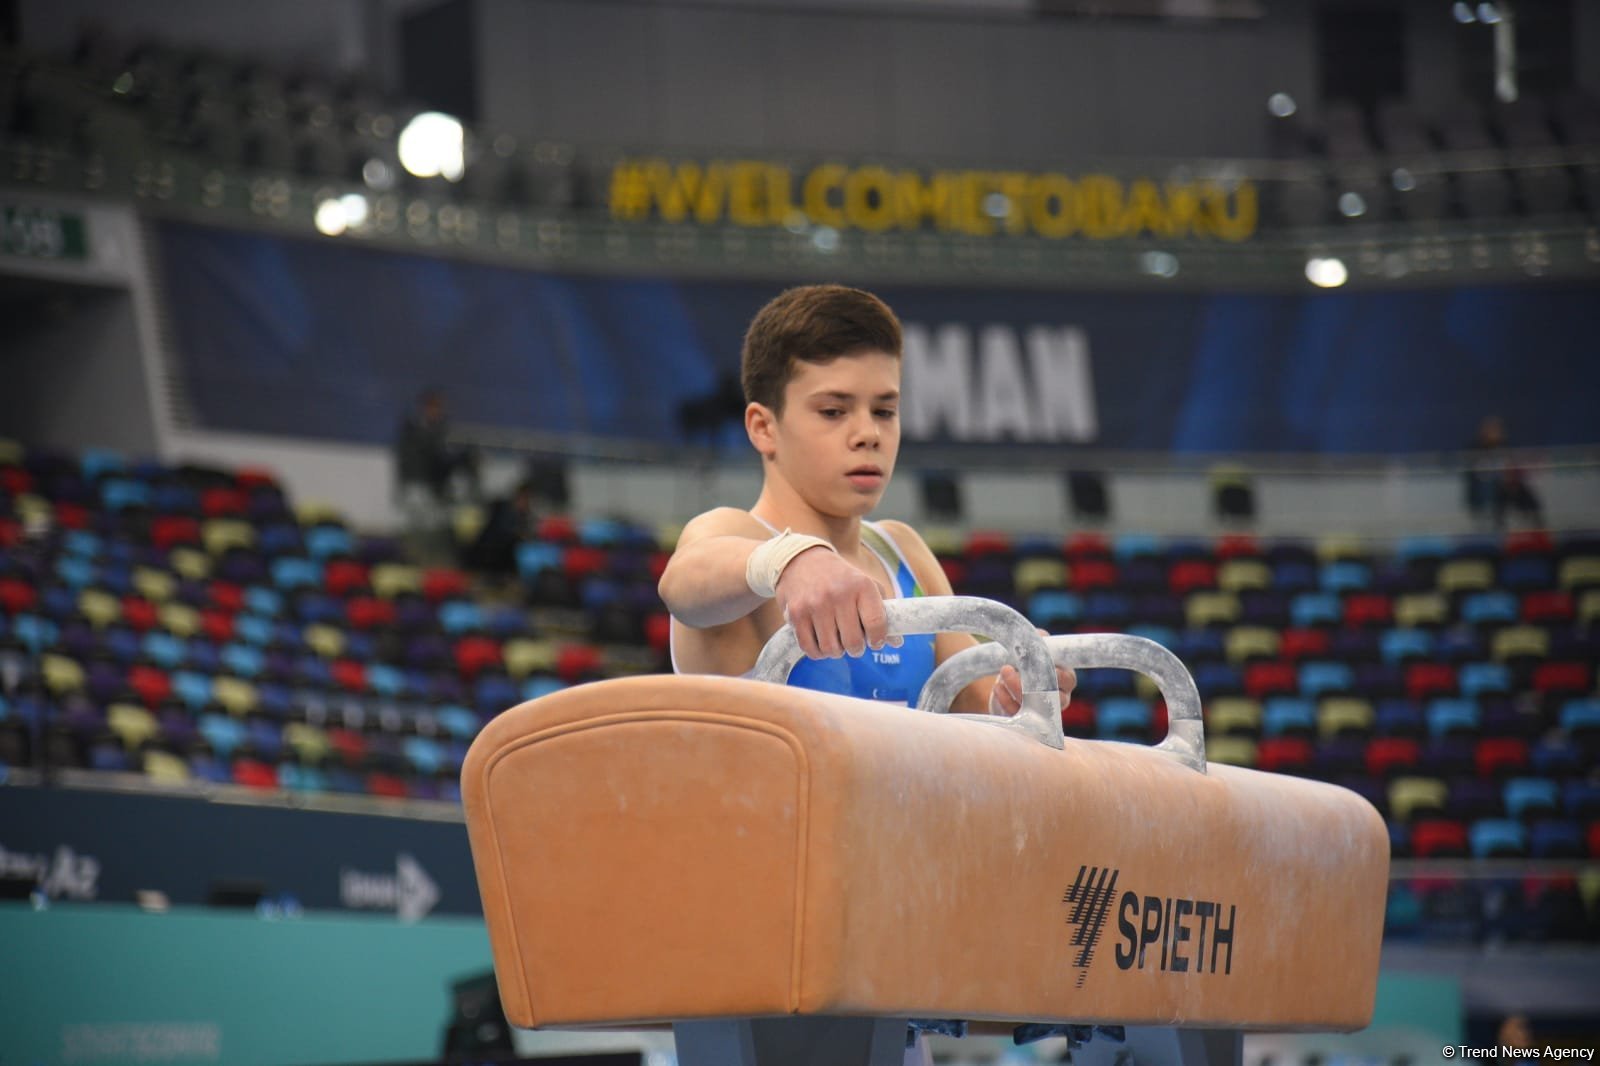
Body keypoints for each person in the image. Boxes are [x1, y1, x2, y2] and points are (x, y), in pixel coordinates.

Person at [659, 283, 1076, 730]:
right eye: (834, 411)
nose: (868, 434)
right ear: (764, 427)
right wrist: (787, 560)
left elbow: (974, 702)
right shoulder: (739, 535)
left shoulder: (903, 550)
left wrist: (1013, 692)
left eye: (884, 411)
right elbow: (682, 584)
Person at [394, 387, 479, 560]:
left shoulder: (443, 431)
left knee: (436, 529)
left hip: (437, 489)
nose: (437, 411)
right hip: (416, 484)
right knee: (418, 527)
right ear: (425, 407)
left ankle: (433, 561)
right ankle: (414, 559)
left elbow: (444, 461)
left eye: (439, 407)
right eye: (433, 407)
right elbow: (418, 459)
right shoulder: (413, 430)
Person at [1463, 414, 1543, 529]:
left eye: (1497, 430)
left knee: (1522, 488)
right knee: (1494, 488)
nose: (1495, 433)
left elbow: (1512, 467)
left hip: (1505, 484)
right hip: (1484, 485)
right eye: (1491, 430)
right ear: (1484, 432)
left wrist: (1510, 479)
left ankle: (1537, 524)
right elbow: (1477, 473)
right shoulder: (1475, 448)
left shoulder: (1504, 446)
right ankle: (1497, 525)